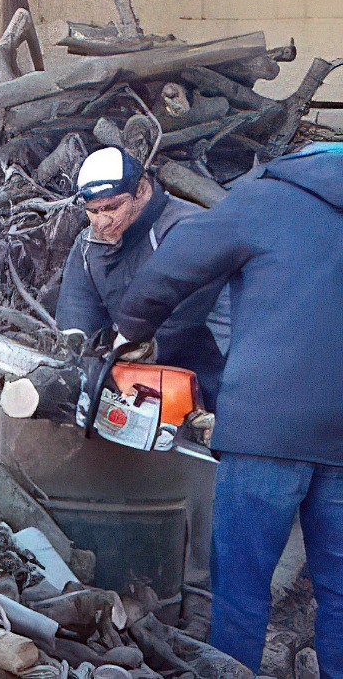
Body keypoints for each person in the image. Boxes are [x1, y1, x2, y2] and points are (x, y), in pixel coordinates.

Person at [114, 142, 343, 674]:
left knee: (241, 589)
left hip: (264, 429)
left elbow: (177, 265)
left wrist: (133, 330)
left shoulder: (265, 198)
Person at [55, 146, 225, 408]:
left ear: (142, 191)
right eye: (93, 210)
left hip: (210, 373)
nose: (101, 221)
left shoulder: (187, 228)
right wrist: (77, 356)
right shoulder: (89, 245)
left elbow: (189, 311)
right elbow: (76, 309)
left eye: (112, 207)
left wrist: (148, 346)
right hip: (133, 382)